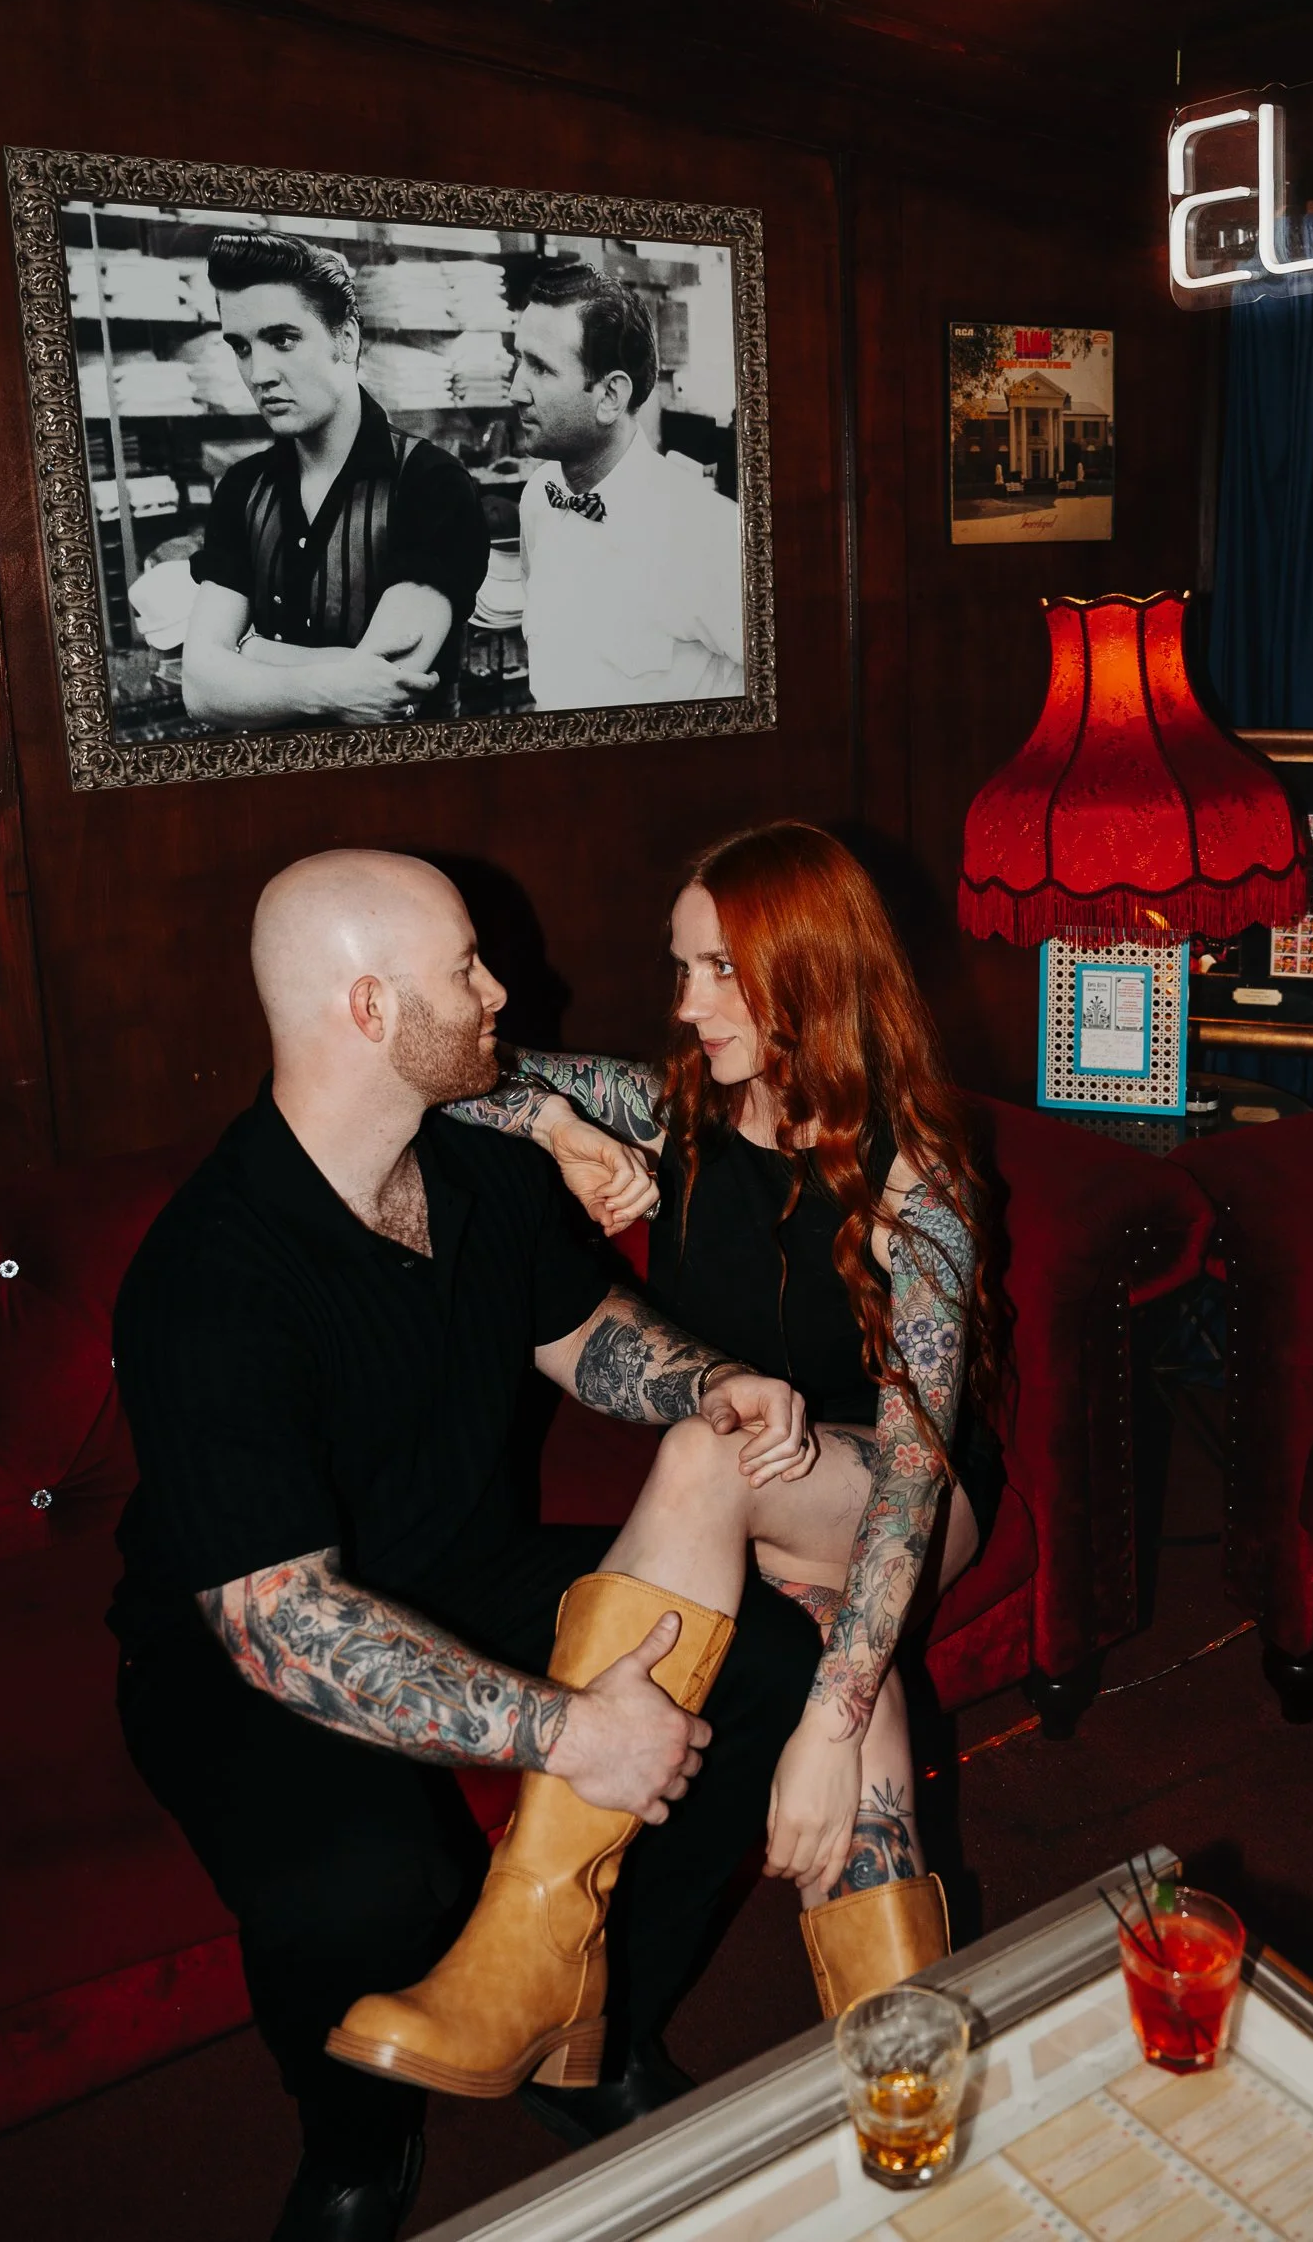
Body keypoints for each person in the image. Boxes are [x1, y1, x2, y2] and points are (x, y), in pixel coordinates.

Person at [111, 849, 823, 2242]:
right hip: (241, 1639)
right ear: (370, 1009)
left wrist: (708, 1385)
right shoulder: (209, 1273)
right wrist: (566, 1731)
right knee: (379, 1885)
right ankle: (356, 2147)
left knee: (768, 1665)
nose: (503, 991)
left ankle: (594, 2030)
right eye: (466, 971)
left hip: (466, 1565)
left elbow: (581, 1330)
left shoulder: (476, 1160)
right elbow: (283, 1622)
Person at [413, 821, 1005, 2022]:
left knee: (708, 1461)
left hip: (898, 1499)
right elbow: (456, 1075)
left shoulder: (918, 1175)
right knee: (857, 1744)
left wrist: (823, 1729)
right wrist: (565, 1132)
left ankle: (533, 1931)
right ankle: (905, 2053)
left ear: (810, 968)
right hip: (748, 1504)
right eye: (681, 967)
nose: (686, 1005)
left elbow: (914, 1470)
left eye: (719, 969)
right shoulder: (671, 1113)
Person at [180, 233, 489, 732]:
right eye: (241, 347)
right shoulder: (242, 488)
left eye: (283, 340)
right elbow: (199, 689)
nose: (259, 373)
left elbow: (390, 682)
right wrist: (329, 685)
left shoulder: (430, 482)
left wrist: (252, 652)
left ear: (346, 339)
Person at [507, 256, 744, 708]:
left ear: (610, 396)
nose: (515, 390)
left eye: (541, 367)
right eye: (519, 359)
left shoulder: (710, 534)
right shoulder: (539, 497)